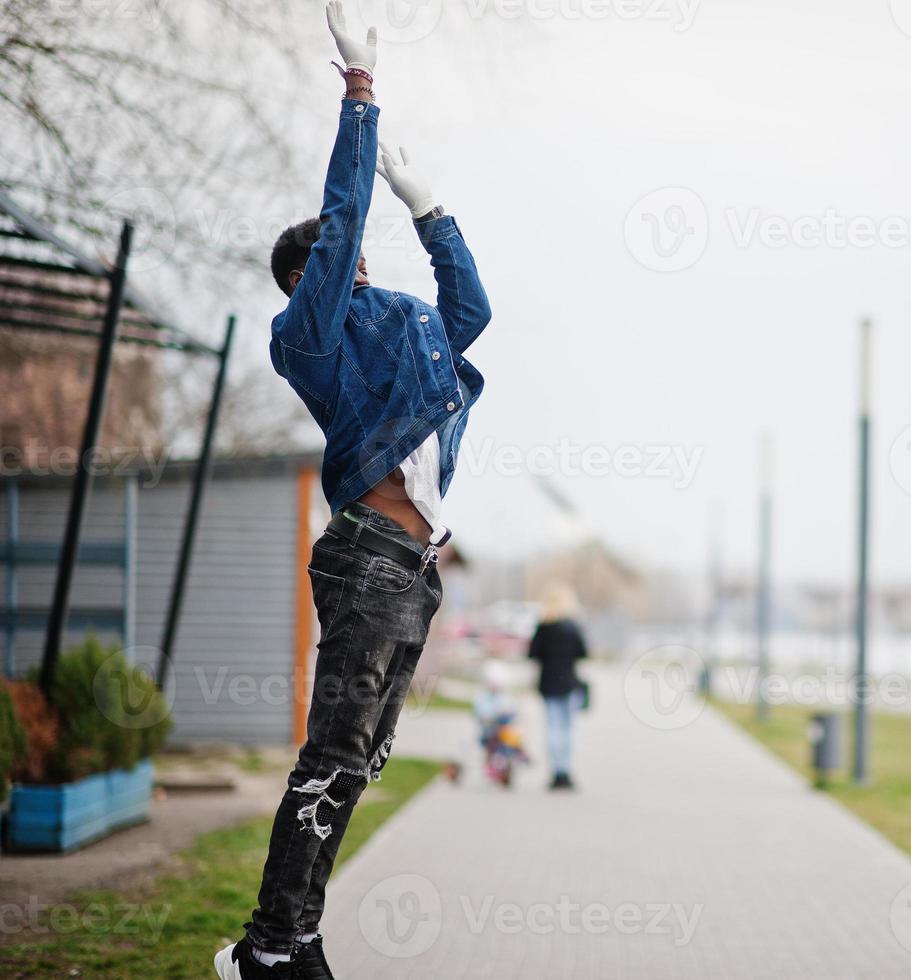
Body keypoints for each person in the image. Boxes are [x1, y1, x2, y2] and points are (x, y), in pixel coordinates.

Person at [214, 4, 492, 978]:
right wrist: (361, 95)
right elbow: (339, 229)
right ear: (311, 281)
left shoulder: (405, 327)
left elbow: (470, 313)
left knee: (360, 763)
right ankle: (271, 943)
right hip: (371, 557)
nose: (364, 278)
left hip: (412, 569)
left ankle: (292, 929)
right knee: (333, 756)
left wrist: (433, 214)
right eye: (345, 271)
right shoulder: (312, 332)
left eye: (368, 268)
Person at [526, 584, 588, 790]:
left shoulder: (543, 627)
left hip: (548, 684)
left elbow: (532, 654)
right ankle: (565, 770)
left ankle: (555, 773)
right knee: (567, 729)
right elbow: (583, 653)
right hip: (570, 684)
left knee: (553, 728)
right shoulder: (573, 627)